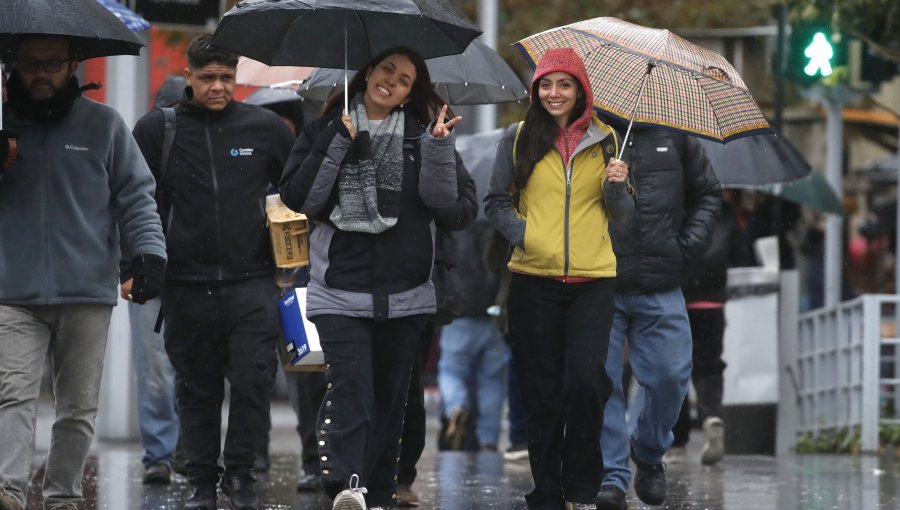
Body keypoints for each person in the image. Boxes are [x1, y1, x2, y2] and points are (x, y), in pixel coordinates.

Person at [279, 46, 477, 510]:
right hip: (340, 291)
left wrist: (438, 148)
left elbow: (454, 212)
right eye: (387, 69)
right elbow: (301, 199)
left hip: (405, 295)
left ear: (411, 93)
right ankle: (349, 486)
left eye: (405, 79)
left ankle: (380, 492)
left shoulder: (425, 137)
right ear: (368, 72)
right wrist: (338, 142)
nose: (392, 81)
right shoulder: (325, 130)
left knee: (391, 405)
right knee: (352, 394)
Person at [0, 35, 166, 510]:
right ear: (14, 65)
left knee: (77, 408)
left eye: (51, 63)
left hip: (86, 290)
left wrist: (149, 256)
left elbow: (137, 198)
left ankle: (62, 496)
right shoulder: (0, 124)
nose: (40, 73)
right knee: (12, 396)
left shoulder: (105, 125)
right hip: (11, 289)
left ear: (73, 64)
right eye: (31, 64)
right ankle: (8, 491)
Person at [131, 34, 295, 510]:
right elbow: (134, 201)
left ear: (236, 77)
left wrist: (291, 262)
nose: (218, 86)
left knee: (254, 379)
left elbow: (298, 190)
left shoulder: (265, 128)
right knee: (196, 387)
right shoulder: (159, 130)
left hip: (253, 281)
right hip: (185, 283)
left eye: (227, 77)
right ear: (190, 78)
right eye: (208, 78)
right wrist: (138, 262)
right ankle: (202, 477)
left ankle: (241, 473)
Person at [484, 47, 634, 510]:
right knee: (541, 390)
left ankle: (582, 487)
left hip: (593, 280)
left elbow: (624, 219)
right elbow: (495, 202)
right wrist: (525, 236)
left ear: (581, 90)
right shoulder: (517, 138)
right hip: (533, 278)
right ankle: (548, 490)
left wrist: (616, 186)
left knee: (587, 382)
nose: (554, 93)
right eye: (546, 85)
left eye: (564, 84)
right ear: (536, 90)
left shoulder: (610, 142)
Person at [594, 122, 721, 509]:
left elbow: (707, 194)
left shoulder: (677, 136)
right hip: (601, 278)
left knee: (670, 376)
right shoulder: (590, 132)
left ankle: (648, 453)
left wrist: (687, 246)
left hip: (662, 279)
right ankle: (612, 475)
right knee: (602, 384)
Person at [122, 74, 186, 486]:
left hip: (190, 271)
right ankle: (162, 454)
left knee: (176, 369)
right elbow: (125, 205)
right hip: (153, 269)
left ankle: (176, 452)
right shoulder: (144, 143)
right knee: (158, 370)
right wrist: (129, 267)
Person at [667, 193, 752, 466]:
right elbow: (742, 256)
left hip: (676, 300)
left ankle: (677, 441)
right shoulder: (722, 209)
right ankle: (711, 415)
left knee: (675, 369)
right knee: (709, 367)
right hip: (712, 303)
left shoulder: (673, 202)